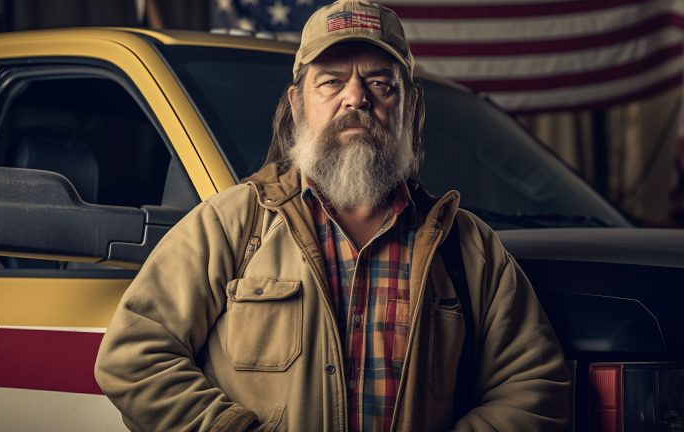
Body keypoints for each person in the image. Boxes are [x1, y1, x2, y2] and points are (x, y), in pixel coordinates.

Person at [94, 1, 572, 430]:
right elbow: (134, 357)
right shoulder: (233, 224)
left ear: (411, 108)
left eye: (381, 83)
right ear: (298, 105)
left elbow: (536, 387)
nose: (356, 98)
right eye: (331, 81)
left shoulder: (468, 247)